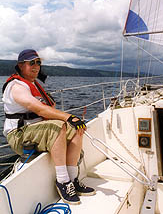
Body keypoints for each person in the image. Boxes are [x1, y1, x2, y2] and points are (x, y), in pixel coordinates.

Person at [2, 49, 95, 205]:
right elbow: (39, 109)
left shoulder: (33, 85)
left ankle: (72, 179)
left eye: (38, 62)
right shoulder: (16, 86)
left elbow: (48, 109)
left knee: (77, 128)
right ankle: (63, 182)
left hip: (36, 130)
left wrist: (73, 121)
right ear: (20, 65)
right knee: (58, 126)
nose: (36, 66)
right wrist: (70, 117)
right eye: (31, 62)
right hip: (19, 134)